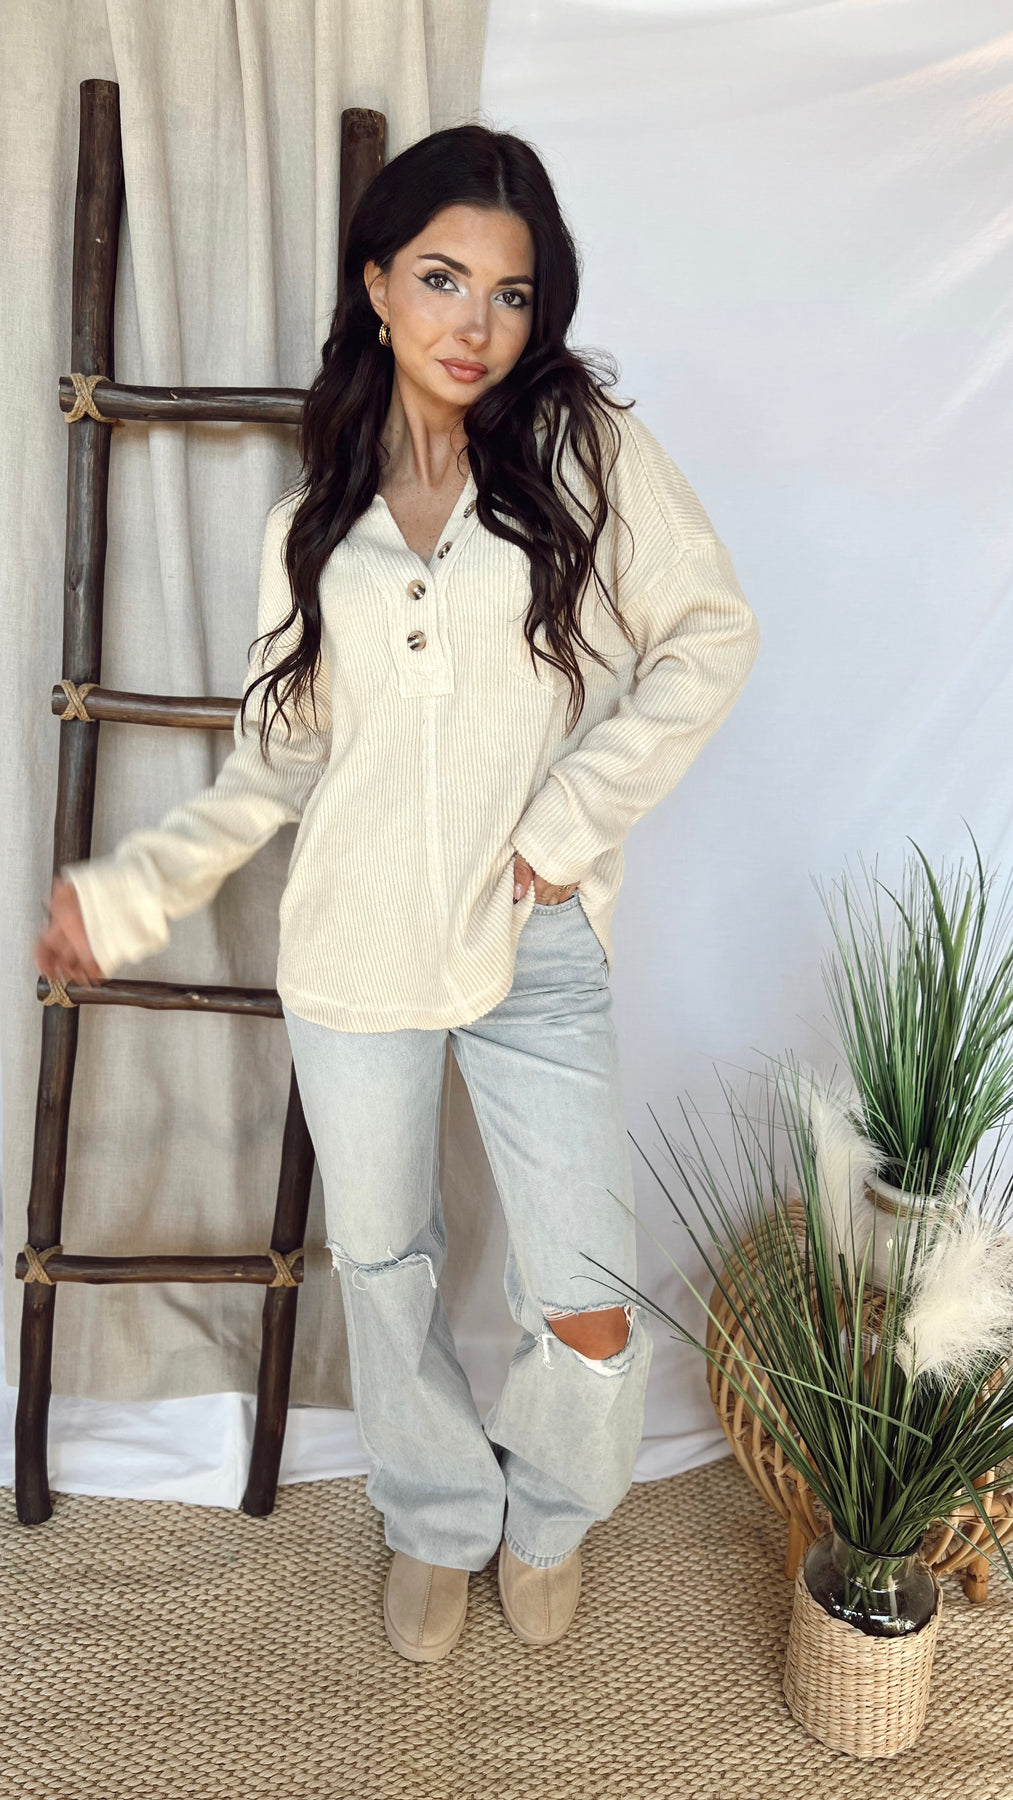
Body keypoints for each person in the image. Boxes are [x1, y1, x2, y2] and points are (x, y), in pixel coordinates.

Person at [34, 124, 760, 1663]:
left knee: (586, 1298)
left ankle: (549, 1512)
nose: (472, 322)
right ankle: (434, 1514)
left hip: (531, 938)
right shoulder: (310, 521)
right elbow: (272, 769)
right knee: (383, 1265)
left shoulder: (579, 449)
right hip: (353, 947)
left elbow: (709, 636)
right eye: (440, 278)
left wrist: (566, 821)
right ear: (375, 284)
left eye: (510, 291)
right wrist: (132, 894)